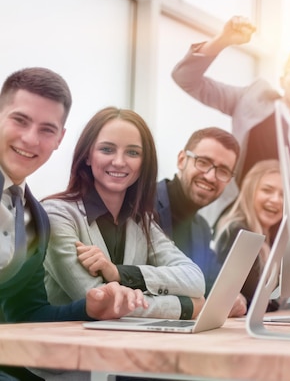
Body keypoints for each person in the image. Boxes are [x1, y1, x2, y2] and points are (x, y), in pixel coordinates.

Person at [0, 67, 147, 381]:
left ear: (60, 139)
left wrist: (91, 308)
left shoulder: (35, 219)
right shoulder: (57, 213)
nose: (30, 138)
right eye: (20, 120)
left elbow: (27, 314)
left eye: (47, 129)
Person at [172, 15, 290, 224]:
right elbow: (185, 79)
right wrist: (222, 40)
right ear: (282, 80)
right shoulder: (252, 99)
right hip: (233, 222)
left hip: (288, 240)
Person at [42, 107, 205, 321]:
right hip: (65, 347)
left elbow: (195, 279)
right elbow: (100, 302)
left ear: (143, 163)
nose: (119, 161)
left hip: (125, 345)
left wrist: (119, 273)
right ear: (88, 156)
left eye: (133, 152)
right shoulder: (57, 214)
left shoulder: (141, 220)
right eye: (107, 149)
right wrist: (185, 307)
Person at [155, 127, 246, 317]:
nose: (210, 176)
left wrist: (236, 298)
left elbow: (215, 283)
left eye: (223, 171)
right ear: (182, 160)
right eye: (203, 162)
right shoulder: (144, 204)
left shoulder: (202, 228)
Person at [214, 159, 283, 312]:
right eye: (267, 190)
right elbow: (256, 301)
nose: (276, 200)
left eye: (283, 195)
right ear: (250, 190)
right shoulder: (237, 231)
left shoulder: (267, 239)